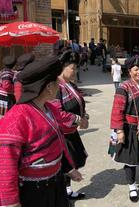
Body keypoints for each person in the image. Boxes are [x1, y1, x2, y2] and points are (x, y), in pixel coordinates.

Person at [0, 56, 83, 207]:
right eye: (57, 82)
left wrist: (68, 169)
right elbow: (6, 164)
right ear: (49, 87)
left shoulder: (51, 108)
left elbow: (59, 142)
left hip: (55, 181)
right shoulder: (16, 118)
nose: (59, 85)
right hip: (32, 191)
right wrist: (11, 202)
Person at [109, 56, 139, 202]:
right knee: (130, 159)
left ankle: (132, 179)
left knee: (138, 157)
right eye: (136, 69)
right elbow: (117, 110)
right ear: (130, 71)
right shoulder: (124, 87)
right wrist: (119, 130)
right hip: (128, 127)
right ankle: (132, 186)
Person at [53, 50, 89, 200]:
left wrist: (85, 116)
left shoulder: (69, 84)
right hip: (61, 135)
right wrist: (79, 119)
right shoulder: (56, 87)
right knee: (64, 165)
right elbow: (58, 113)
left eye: (76, 68)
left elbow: (79, 103)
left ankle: (67, 190)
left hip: (71, 132)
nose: (75, 71)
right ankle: (61, 194)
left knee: (72, 162)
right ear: (63, 67)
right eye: (73, 68)